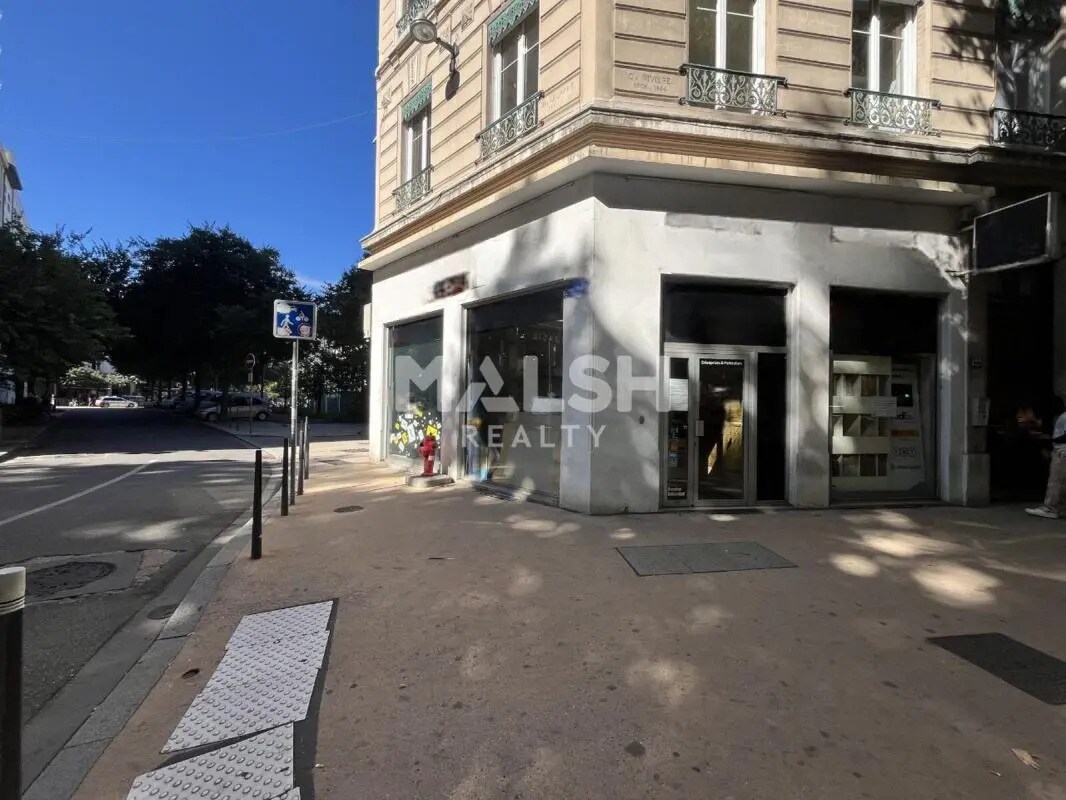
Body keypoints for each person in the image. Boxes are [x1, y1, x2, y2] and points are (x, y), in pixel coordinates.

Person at [1026, 395, 1066, 519]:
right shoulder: (1061, 417)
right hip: (1061, 449)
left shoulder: (1063, 417)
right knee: (1062, 482)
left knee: (1056, 480)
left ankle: (1051, 507)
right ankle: (1060, 508)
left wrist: (1051, 439)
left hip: (1062, 450)